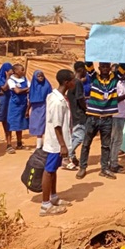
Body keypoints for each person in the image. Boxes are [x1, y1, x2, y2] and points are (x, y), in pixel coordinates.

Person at [76, 60, 125, 180]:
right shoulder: (93, 77)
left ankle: (104, 168)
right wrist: (89, 46)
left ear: (110, 68)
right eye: (103, 66)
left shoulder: (114, 79)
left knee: (106, 145)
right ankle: (82, 167)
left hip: (107, 118)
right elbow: (88, 64)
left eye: (107, 66)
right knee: (86, 144)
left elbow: (124, 66)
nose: (105, 68)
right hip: (92, 117)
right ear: (99, 68)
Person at [40, 69, 77, 217]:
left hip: (58, 141)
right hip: (56, 143)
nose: (75, 82)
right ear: (67, 83)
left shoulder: (59, 96)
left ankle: (53, 197)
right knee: (49, 171)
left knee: (53, 170)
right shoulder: (57, 101)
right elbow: (56, 125)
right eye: (73, 80)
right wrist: (62, 145)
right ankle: (45, 205)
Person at [65, 62, 87, 170]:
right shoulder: (78, 83)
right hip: (79, 115)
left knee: (74, 137)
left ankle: (71, 156)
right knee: (80, 137)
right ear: (82, 70)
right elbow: (79, 98)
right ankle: (67, 156)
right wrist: (86, 109)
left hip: (74, 114)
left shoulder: (72, 83)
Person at [7, 64, 30, 150]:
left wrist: (22, 90)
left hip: (23, 105)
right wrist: (25, 89)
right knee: (11, 124)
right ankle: (9, 144)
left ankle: (19, 143)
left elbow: (29, 88)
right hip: (14, 105)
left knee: (20, 123)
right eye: (22, 70)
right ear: (16, 71)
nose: (24, 71)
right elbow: (17, 91)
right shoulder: (11, 80)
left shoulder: (25, 79)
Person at [27, 70, 52, 150]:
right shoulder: (33, 86)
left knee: (41, 126)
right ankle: (40, 144)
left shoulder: (47, 85)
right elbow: (30, 99)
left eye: (42, 76)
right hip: (35, 109)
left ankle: (39, 146)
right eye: (38, 76)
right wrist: (27, 110)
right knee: (36, 126)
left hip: (44, 107)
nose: (41, 78)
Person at [0, 63, 14, 153]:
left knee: (7, 121)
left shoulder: (13, 77)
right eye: (10, 70)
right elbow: (5, 88)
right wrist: (8, 77)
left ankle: (9, 144)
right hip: (1, 101)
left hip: (9, 101)